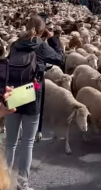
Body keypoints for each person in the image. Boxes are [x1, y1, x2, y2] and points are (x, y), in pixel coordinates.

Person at [5, 15, 64, 190]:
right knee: (27, 143)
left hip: (13, 94)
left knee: (10, 143)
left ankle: (5, 181)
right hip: (31, 94)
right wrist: (52, 38)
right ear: (42, 30)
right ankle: (22, 183)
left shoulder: (15, 45)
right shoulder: (40, 46)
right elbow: (60, 58)